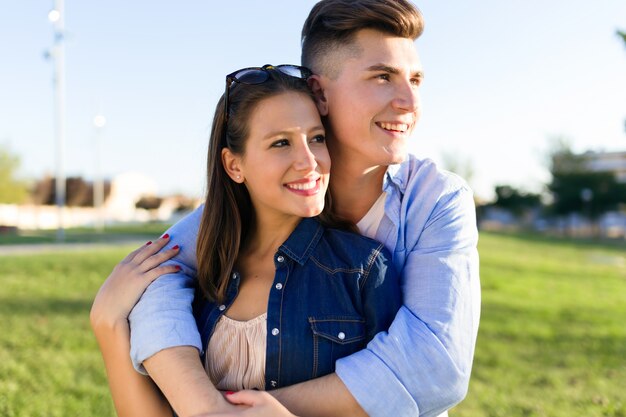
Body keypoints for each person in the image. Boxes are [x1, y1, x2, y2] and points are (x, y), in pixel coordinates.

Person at [130, 1, 481, 416]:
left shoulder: (436, 201)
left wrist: (256, 410)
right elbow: (158, 274)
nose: (409, 101)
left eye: (416, 79)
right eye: (383, 77)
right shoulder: (281, 188)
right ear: (318, 92)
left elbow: (436, 366)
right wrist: (202, 404)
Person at [91, 66, 401, 417]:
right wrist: (109, 322)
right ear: (234, 165)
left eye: (317, 138)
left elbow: (398, 401)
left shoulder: (363, 270)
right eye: (281, 143)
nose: (309, 160)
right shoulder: (201, 276)